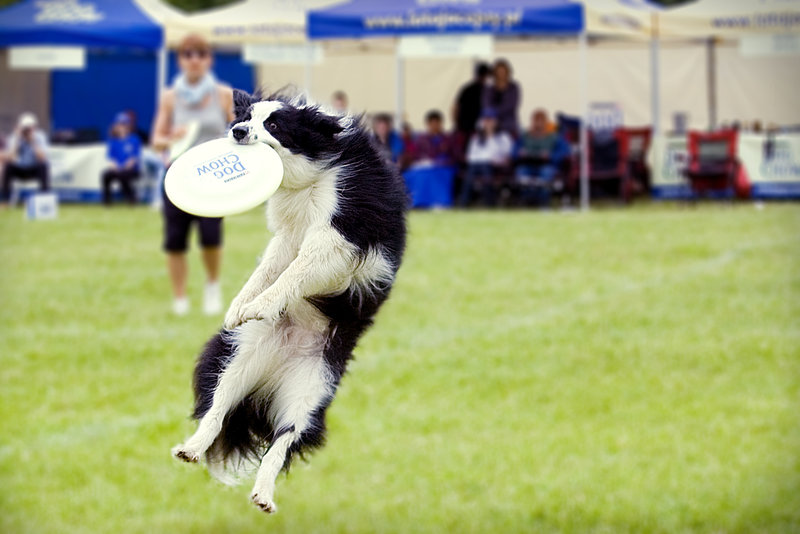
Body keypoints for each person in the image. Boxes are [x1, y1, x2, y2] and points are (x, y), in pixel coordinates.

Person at [151, 34, 235, 316]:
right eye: (188, 54)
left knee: (211, 237)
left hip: (211, 177)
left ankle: (212, 285)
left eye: (200, 53)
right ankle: (179, 298)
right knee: (175, 240)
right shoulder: (170, 97)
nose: (194, 59)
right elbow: (156, 141)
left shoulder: (223, 94)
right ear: (180, 60)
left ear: (209, 59)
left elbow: (236, 132)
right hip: (176, 175)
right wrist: (170, 137)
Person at [458, 109, 513, 207]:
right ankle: (464, 202)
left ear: (496, 121)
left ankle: (489, 202)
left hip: (495, 165)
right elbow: (471, 155)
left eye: (491, 120)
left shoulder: (503, 137)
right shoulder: (476, 138)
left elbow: (507, 154)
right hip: (477, 164)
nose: (488, 123)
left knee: (485, 169)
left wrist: (498, 160)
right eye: (485, 120)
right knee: (471, 171)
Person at [514, 109, 569, 206]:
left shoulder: (554, 137)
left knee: (546, 173)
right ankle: (527, 202)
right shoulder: (525, 136)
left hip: (547, 165)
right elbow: (513, 152)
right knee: (521, 172)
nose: (538, 123)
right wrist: (520, 153)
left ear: (546, 121)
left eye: (541, 120)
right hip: (528, 164)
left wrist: (551, 156)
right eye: (536, 120)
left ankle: (543, 203)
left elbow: (565, 152)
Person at [1, 113, 50, 205]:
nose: (27, 131)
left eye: (29, 128)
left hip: (34, 168)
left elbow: (42, 157)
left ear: (34, 127)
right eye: (25, 128)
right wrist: (17, 139)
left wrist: (33, 141)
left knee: (44, 166)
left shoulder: (40, 136)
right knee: (7, 166)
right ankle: (5, 200)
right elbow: (11, 158)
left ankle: (44, 200)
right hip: (20, 169)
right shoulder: (14, 137)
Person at [102, 113, 141, 206]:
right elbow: (111, 158)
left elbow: (134, 158)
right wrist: (115, 166)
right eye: (119, 124)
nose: (121, 127)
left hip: (131, 169)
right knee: (106, 175)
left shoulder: (134, 140)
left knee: (123, 175)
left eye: (124, 124)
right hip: (117, 168)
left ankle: (131, 199)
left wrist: (125, 167)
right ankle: (107, 201)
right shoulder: (113, 141)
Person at [453, 62, 491, 158]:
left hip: (471, 127)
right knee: (471, 154)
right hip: (468, 127)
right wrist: (457, 124)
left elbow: (455, 107)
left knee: (470, 154)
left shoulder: (467, 88)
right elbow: (456, 107)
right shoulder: (483, 89)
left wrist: (457, 124)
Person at [483, 59, 521, 136]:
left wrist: (495, 112)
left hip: (509, 126)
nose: (501, 74)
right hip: (492, 127)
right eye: (499, 71)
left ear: (507, 72)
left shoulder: (513, 87)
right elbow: (486, 104)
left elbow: (511, 105)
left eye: (503, 71)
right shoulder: (489, 88)